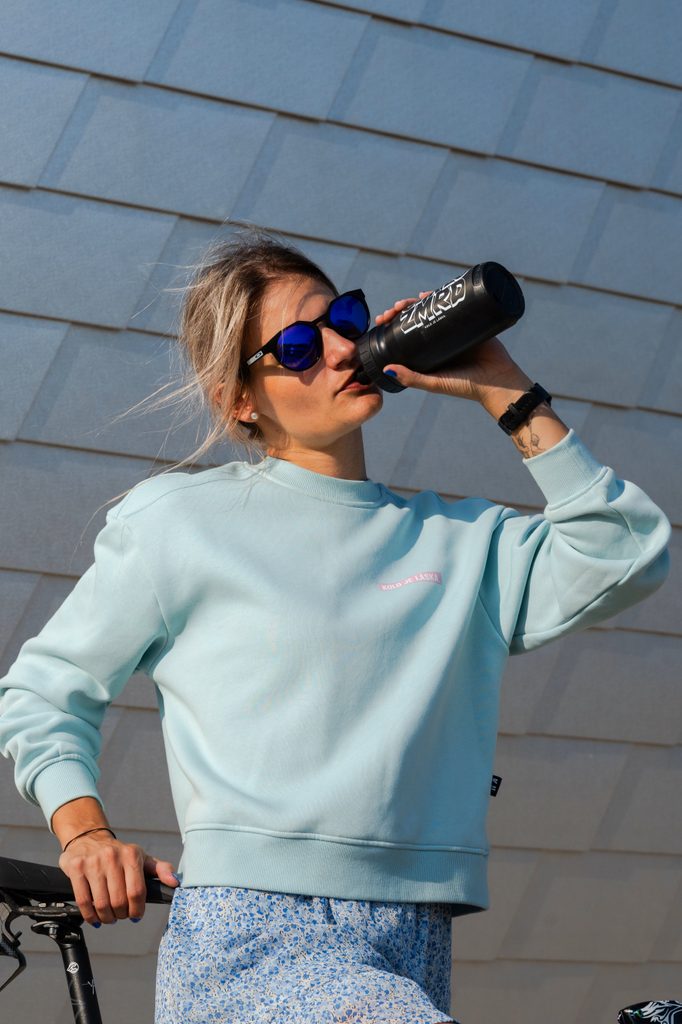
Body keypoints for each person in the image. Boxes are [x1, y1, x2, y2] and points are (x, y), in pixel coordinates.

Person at [0, 226, 671, 1024]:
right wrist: (84, 833)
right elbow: (43, 692)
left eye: (343, 318)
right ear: (239, 399)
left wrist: (503, 387)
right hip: (252, 937)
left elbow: (625, 550)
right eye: (296, 346)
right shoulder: (178, 522)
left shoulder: (460, 542)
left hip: (415, 935)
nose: (341, 349)